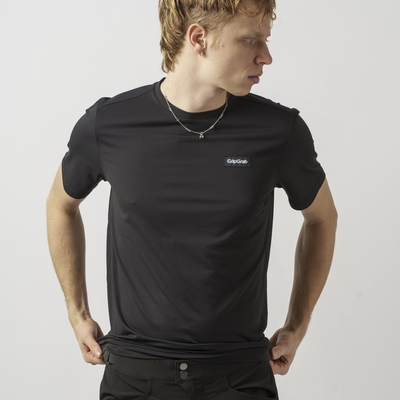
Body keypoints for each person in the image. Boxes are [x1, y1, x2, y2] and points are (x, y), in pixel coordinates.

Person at [46, 0, 337, 398]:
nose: (266, 56)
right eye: (250, 40)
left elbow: (322, 218)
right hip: (135, 376)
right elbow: (60, 205)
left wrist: (297, 324)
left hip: (239, 377)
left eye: (265, 40)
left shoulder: (279, 131)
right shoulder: (109, 124)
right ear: (199, 38)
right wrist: (77, 312)